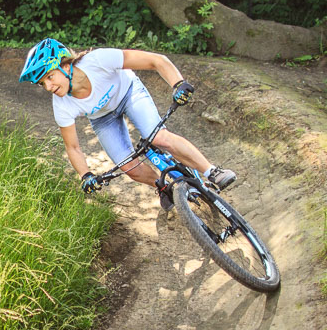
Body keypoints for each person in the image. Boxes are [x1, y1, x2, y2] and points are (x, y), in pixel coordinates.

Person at [19, 38, 236, 211]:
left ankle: (211, 171)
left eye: (49, 77)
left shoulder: (97, 60)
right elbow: (72, 147)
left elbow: (156, 60)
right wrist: (85, 175)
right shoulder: (61, 104)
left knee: (159, 137)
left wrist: (178, 84)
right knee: (128, 167)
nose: (48, 86)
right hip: (103, 118)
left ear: (65, 64)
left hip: (128, 92)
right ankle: (162, 187)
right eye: (42, 83)